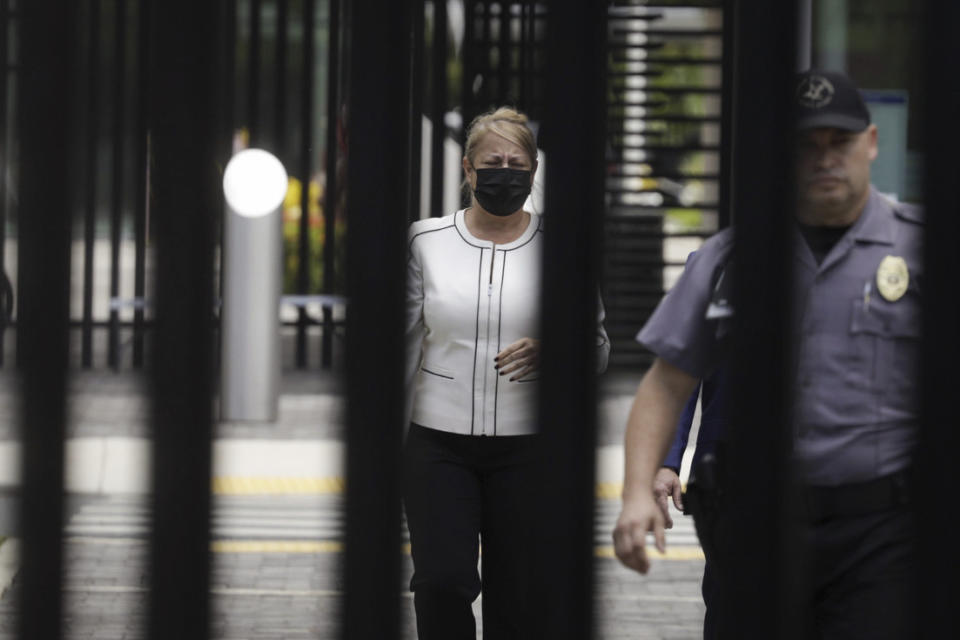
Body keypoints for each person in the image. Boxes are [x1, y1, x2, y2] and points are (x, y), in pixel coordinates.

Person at [613, 69, 922, 638]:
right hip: (753, 526)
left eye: (840, 142)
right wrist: (636, 492)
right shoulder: (728, 260)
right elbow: (664, 384)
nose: (825, 158)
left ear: (871, 144)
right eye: (807, 145)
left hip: (882, 532)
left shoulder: (920, 251)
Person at [404, 106, 610, 639]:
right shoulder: (426, 241)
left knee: (520, 593)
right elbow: (398, 346)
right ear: (469, 171)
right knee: (443, 580)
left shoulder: (563, 246)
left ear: (534, 171)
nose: (506, 173)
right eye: (493, 162)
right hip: (437, 443)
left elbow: (596, 346)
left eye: (517, 163)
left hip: (529, 449)